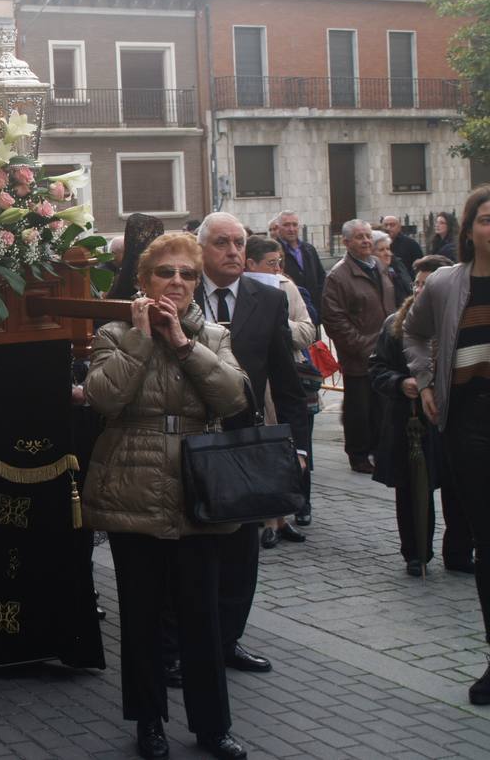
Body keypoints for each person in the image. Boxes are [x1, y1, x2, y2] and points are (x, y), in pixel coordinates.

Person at [81, 232, 249, 760]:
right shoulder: (113, 333)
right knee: (142, 614)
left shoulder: (213, 336)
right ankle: (148, 722)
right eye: (165, 273)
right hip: (134, 478)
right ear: (143, 280)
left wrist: (182, 342)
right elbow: (103, 398)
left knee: (202, 615)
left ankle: (212, 725)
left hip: (199, 482)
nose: (176, 282)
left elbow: (233, 397)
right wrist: (141, 338)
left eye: (187, 274)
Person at [192, 213, 309, 681]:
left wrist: (299, 448)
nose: (234, 252)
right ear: (201, 248)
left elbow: (286, 379)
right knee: (195, 547)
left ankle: (227, 640)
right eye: (222, 243)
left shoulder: (268, 298)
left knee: (242, 549)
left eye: (239, 243)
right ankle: (184, 644)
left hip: (246, 440)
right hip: (191, 434)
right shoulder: (182, 291)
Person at [405, 186, 490, 705]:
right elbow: (411, 333)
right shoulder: (444, 283)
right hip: (470, 425)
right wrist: (427, 379)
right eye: (486, 219)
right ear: (468, 228)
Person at [371, 255, 465, 576]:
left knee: (458, 488)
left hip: (455, 422)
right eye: (419, 284)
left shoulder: (462, 319)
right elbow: (377, 369)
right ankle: (415, 553)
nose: (423, 290)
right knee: (412, 490)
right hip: (411, 425)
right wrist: (401, 383)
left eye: (431, 284)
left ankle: (459, 552)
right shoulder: (395, 324)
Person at [244, 237, 313, 548]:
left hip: (285, 372)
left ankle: (285, 515)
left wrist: (276, 323)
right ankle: (269, 518)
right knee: (265, 445)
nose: (277, 268)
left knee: (288, 446)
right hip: (259, 382)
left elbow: (309, 329)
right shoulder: (243, 290)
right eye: (271, 263)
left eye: (279, 261)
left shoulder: (286, 286)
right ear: (252, 264)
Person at [321, 219, 396, 474]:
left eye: (367, 236)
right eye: (359, 237)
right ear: (346, 243)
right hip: (359, 358)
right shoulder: (338, 276)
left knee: (381, 408)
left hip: (384, 353)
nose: (365, 241)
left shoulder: (379, 267)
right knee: (359, 411)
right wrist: (363, 346)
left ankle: (379, 450)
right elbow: (334, 319)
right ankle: (359, 455)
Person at [276, 210, 327, 318]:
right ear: (278, 227)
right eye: (286, 225)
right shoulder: (274, 251)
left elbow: (321, 278)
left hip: (313, 312)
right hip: (289, 313)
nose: (291, 229)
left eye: (294, 225)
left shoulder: (309, 249)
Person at [374, 230, 413, 307]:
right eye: (381, 250)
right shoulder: (373, 274)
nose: (387, 253)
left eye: (388, 249)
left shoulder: (397, 265)